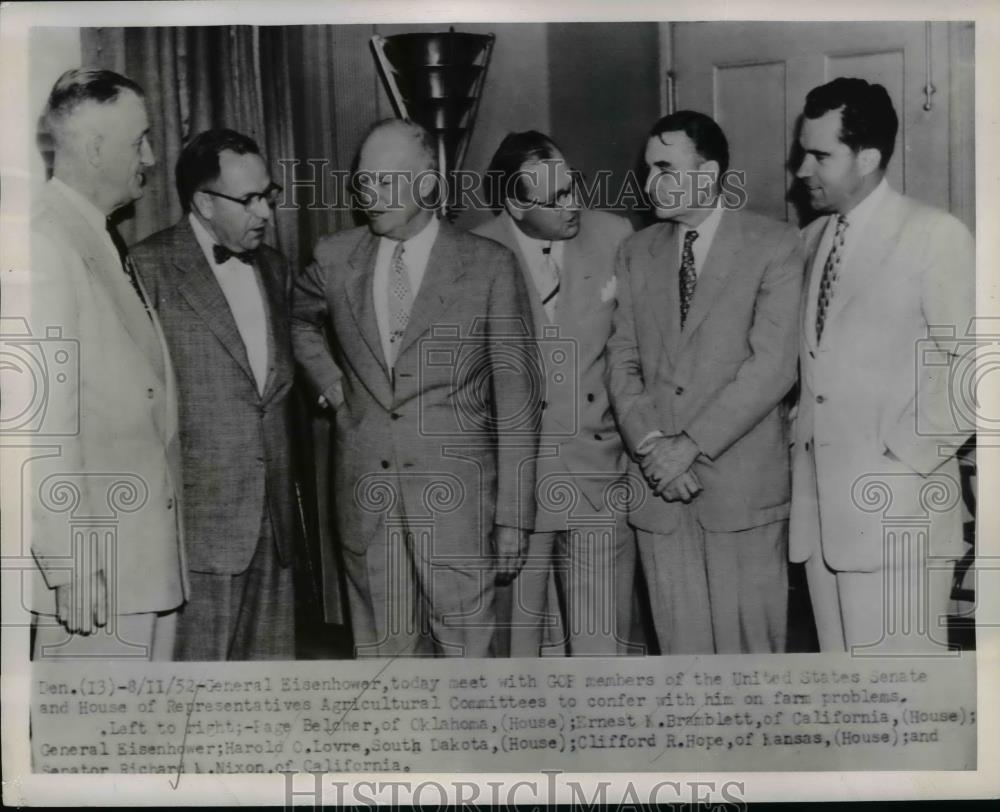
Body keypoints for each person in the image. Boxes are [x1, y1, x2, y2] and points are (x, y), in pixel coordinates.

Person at [292, 119, 539, 657]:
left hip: (458, 510)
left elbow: (517, 399)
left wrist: (514, 517)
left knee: (466, 662)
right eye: (363, 182)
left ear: (428, 183)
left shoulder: (489, 267)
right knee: (384, 664)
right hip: (367, 506)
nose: (369, 196)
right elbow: (299, 319)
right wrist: (330, 382)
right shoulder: (335, 258)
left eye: (386, 181)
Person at [606, 110, 804, 654]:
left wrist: (688, 447)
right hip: (660, 493)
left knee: (750, 664)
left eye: (665, 169)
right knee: (681, 661)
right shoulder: (635, 252)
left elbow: (772, 367)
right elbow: (621, 359)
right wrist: (653, 447)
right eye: (648, 170)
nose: (651, 183)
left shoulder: (775, 244)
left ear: (709, 172)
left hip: (741, 492)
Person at [790, 78, 975, 653]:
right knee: (845, 695)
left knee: (903, 695)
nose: (802, 169)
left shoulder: (933, 235)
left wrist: (902, 460)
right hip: (820, 526)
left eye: (820, 155)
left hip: (899, 518)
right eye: (803, 153)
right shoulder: (811, 239)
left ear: (867, 158)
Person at [21, 68, 185, 659]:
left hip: (137, 563)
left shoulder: (94, 235)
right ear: (94, 149)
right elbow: (39, 425)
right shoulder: (45, 243)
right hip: (96, 576)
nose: (151, 156)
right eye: (139, 140)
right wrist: (70, 563)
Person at [131, 129, 296, 660]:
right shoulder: (148, 268)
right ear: (203, 203)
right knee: (196, 691)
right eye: (248, 200)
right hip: (198, 532)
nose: (264, 212)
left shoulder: (275, 268)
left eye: (268, 195)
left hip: (274, 526)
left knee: (268, 690)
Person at [473, 131, 635, 656]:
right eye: (557, 197)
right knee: (518, 650)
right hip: (517, 489)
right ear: (515, 204)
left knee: (601, 648)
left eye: (574, 186)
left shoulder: (614, 235)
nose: (574, 204)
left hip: (597, 474)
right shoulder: (475, 253)